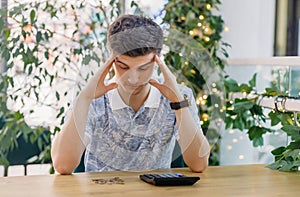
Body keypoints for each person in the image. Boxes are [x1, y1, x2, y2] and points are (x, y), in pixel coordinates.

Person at [51, 14, 210, 174]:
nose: (133, 79)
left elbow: (199, 164)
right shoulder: (92, 98)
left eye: (143, 68)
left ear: (158, 60)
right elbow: (63, 165)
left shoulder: (178, 96)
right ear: (111, 59)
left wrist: (178, 102)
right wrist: (84, 99)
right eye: (123, 67)